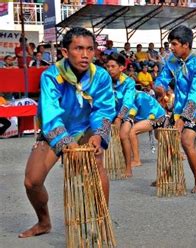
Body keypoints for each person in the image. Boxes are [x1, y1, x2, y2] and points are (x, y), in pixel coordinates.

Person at [19, 27, 115, 238]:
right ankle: (43, 222)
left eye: (90, 49)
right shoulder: (50, 76)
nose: (85, 54)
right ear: (64, 52)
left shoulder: (101, 76)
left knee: (96, 162)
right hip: (57, 129)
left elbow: (104, 109)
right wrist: (66, 141)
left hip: (87, 128)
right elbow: (51, 114)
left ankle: (100, 224)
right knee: (32, 181)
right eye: (78, 48)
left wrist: (99, 134)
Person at [155, 25, 196, 193]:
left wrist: (183, 119)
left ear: (186, 45)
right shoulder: (172, 60)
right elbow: (163, 78)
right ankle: (165, 174)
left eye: (174, 44)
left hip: (195, 110)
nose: (171, 47)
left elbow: (195, 94)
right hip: (177, 108)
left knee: (186, 141)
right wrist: (159, 87)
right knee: (163, 135)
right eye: (170, 43)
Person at [106, 53, 137, 177]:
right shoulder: (105, 80)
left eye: (113, 66)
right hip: (109, 112)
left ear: (121, 67)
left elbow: (128, 102)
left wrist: (119, 117)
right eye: (108, 66)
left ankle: (128, 167)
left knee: (124, 135)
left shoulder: (129, 82)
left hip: (126, 113)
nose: (110, 69)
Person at [129, 91, 167, 168]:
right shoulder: (132, 95)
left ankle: (136, 160)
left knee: (132, 131)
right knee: (159, 137)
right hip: (156, 116)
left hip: (156, 117)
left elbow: (149, 109)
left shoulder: (140, 96)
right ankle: (176, 154)